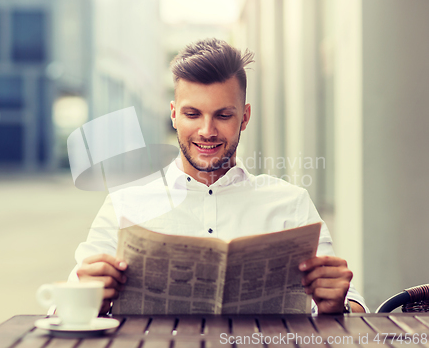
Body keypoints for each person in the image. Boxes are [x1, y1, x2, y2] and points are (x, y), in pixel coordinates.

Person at [70, 38, 368, 314]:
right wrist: (85, 297)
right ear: (173, 114)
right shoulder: (124, 206)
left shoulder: (291, 204)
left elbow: (354, 308)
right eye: (192, 114)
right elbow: (63, 310)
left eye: (223, 115)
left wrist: (337, 305)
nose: (207, 131)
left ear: (245, 117)